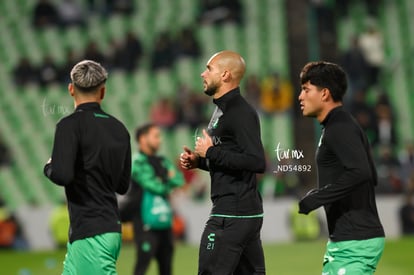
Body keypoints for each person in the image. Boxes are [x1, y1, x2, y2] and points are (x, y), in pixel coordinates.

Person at [180, 50, 266, 274]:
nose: (202, 74)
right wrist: (199, 161)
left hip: (232, 214)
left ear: (226, 75)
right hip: (241, 212)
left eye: (209, 69)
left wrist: (211, 153)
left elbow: (257, 161)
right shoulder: (221, 110)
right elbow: (229, 160)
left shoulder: (240, 112)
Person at [43, 60, 131, 274]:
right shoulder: (119, 129)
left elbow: (62, 174)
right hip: (103, 229)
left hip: (91, 232)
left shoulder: (68, 126)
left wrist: (48, 167)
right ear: (103, 91)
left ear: (71, 89)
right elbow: (122, 186)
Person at [297, 61, 385, 274]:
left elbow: (362, 172)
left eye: (306, 90)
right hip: (348, 240)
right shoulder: (339, 125)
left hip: (355, 241)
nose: (300, 96)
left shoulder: (339, 127)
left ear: (324, 93)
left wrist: (318, 197)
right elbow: (371, 174)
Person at [124, 123, 184, 275]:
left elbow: (179, 179)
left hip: (164, 221)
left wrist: (163, 180)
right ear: (143, 139)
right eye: (156, 136)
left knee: (167, 268)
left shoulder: (162, 160)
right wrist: (167, 181)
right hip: (144, 222)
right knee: (142, 266)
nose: (160, 140)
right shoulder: (137, 161)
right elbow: (153, 185)